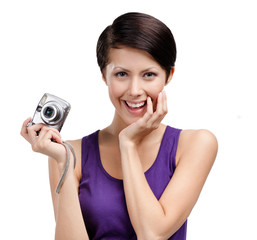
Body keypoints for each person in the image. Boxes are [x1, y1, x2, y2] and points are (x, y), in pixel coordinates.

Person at [21, 12, 218, 240]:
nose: (134, 90)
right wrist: (63, 163)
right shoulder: (71, 154)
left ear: (168, 75)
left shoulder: (195, 144)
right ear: (105, 75)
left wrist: (128, 143)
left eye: (149, 74)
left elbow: (151, 234)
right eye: (122, 74)